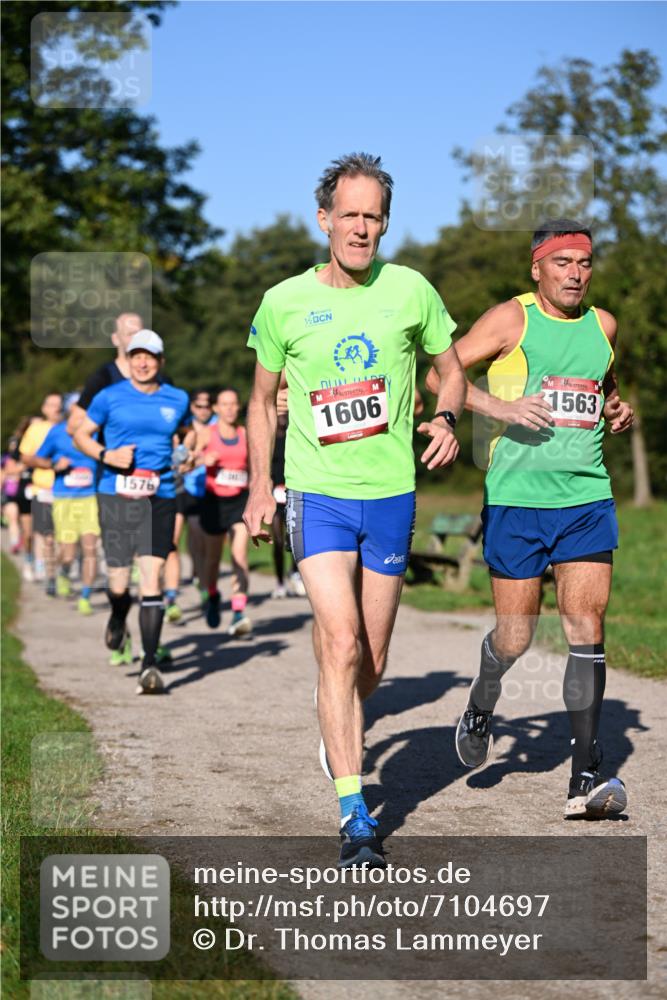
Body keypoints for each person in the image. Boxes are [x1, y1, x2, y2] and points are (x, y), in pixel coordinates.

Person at [243, 152, 465, 867]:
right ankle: (354, 812)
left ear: (384, 223)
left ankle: (336, 706)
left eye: (374, 216)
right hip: (317, 491)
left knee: (369, 657)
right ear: (324, 219)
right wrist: (257, 485)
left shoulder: (410, 291)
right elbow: (258, 401)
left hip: (390, 494)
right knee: (338, 643)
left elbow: (452, 368)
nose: (361, 228)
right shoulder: (282, 302)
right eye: (350, 215)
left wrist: (449, 418)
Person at [426, 218, 633, 819]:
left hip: (587, 499)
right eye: (562, 263)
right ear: (537, 268)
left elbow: (602, 384)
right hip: (518, 501)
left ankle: (585, 777)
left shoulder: (603, 326)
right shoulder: (510, 320)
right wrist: (500, 407)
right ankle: (482, 703)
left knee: (585, 626)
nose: (575, 274)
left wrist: (617, 408)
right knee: (515, 636)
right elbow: (444, 373)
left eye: (584, 264)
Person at [74, 330, 191, 694]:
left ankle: (149, 665)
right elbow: (81, 434)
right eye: (136, 355)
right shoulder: (109, 397)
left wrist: (186, 454)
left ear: (160, 362)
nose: (143, 362)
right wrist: (106, 455)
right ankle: (118, 611)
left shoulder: (177, 397)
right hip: (116, 493)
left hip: (161, 493)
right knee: (119, 581)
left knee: (151, 577)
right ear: (128, 359)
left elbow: (188, 433)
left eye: (150, 357)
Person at [32, 393, 100, 614]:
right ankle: (63, 572)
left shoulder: (97, 432)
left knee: (90, 548)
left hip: (91, 497)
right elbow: (34, 459)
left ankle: (86, 597)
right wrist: (53, 464)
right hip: (65, 498)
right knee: (68, 552)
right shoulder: (57, 432)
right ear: (71, 409)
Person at [200, 388, 252, 636]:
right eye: (224, 404)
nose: (230, 408)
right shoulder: (206, 435)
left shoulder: (246, 434)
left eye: (233, 404)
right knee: (213, 559)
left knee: (239, 556)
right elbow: (185, 462)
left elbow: (254, 468)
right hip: (213, 502)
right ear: (216, 409)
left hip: (239, 501)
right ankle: (212, 594)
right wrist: (202, 460)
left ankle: (239, 611)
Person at [19, 393, 63, 593]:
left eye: (59, 405)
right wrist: (50, 464)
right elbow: (26, 457)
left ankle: (63, 570)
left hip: (69, 491)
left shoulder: (71, 429)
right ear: (44, 409)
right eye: (52, 405)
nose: (56, 409)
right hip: (43, 489)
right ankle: (51, 576)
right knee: (49, 537)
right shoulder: (36, 430)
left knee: (67, 538)